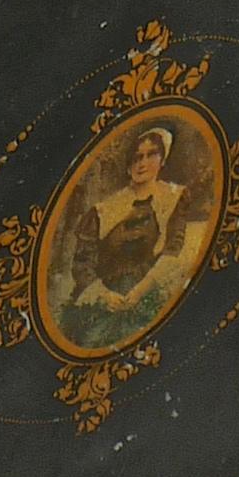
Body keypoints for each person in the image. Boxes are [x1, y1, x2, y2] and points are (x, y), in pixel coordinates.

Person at [60, 127, 190, 349]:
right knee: (93, 340)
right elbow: (82, 265)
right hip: (105, 298)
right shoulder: (104, 210)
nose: (142, 163)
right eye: (137, 157)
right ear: (129, 166)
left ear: (163, 160)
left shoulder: (172, 199)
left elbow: (173, 250)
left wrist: (140, 291)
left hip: (145, 290)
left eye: (151, 155)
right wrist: (104, 296)